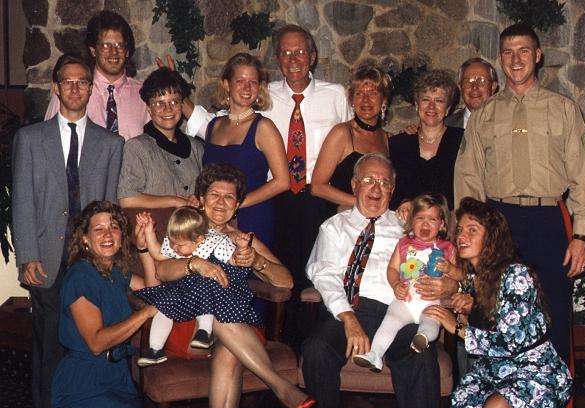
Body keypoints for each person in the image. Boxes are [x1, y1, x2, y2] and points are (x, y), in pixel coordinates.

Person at [181, 24, 352, 326]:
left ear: (312, 57)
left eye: (300, 51)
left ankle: (302, 349)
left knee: (307, 278)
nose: (293, 58)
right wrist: (175, 95)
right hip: (275, 204)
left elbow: (356, 136)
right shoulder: (245, 110)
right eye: (286, 53)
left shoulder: (335, 95)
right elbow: (210, 126)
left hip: (312, 198)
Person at [149, 163, 314, 408]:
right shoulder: (184, 230)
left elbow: (286, 281)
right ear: (199, 199)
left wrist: (257, 261)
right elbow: (161, 269)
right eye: (214, 195)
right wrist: (195, 264)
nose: (222, 202)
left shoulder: (242, 239)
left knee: (229, 352)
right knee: (220, 315)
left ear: (238, 204)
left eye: (230, 197)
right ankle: (278, 384)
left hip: (237, 330)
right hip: (191, 326)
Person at [302, 153, 457, 408]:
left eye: (384, 182)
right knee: (316, 348)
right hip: (347, 309)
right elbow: (322, 274)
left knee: (421, 351)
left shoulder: (407, 225)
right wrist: (348, 318)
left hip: (397, 311)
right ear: (354, 185)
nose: (376, 188)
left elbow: (444, 260)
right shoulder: (333, 227)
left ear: (394, 189)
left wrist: (448, 287)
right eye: (369, 180)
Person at [454, 23, 585, 363]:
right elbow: (468, 176)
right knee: (494, 313)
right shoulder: (484, 114)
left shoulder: (563, 109)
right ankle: (500, 407)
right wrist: (469, 231)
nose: (515, 59)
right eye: (507, 52)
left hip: (550, 220)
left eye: (523, 51)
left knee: (554, 315)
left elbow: (584, 175)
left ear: (537, 55)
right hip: (499, 221)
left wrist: (581, 235)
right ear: (500, 59)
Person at [12, 53, 123, 408]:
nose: (75, 88)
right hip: (45, 255)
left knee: (87, 339)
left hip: (89, 259)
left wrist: (107, 257)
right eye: (68, 82)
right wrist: (26, 255)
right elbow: (22, 200)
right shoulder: (29, 139)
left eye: (82, 82)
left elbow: (109, 206)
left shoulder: (111, 144)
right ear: (56, 88)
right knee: (48, 338)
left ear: (90, 89)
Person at [425, 197, 573, 408]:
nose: (462, 236)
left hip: (533, 372)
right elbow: (470, 294)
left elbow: (509, 343)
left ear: (491, 238)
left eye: (473, 229)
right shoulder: (477, 278)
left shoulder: (516, 275)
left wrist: (456, 326)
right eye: (460, 229)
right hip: (494, 373)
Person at [51, 201, 158, 408]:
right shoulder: (81, 276)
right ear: (85, 239)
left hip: (116, 378)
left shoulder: (115, 271)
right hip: (82, 383)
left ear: (122, 236)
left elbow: (153, 291)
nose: (108, 234)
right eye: (98, 229)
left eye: (114, 227)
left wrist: (144, 247)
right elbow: (96, 343)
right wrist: (142, 315)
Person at [133, 206, 257, 365]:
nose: (174, 247)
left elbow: (234, 260)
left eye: (179, 245)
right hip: (184, 292)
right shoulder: (176, 244)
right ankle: (155, 349)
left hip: (215, 293)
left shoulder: (215, 242)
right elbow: (157, 253)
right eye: (172, 243)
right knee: (163, 306)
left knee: (204, 285)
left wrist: (242, 247)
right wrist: (149, 231)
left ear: (199, 239)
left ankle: (204, 332)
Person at [353, 193, 458, 372]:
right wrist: (395, 285)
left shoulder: (447, 248)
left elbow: (459, 276)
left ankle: (422, 338)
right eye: (420, 218)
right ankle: (375, 354)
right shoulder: (404, 243)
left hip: (430, 300)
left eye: (432, 219)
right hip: (405, 298)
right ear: (411, 221)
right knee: (390, 321)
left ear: (441, 224)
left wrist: (449, 269)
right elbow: (392, 269)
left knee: (431, 322)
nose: (425, 224)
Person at [201, 53, 289, 249]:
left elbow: (283, 182)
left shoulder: (264, 127)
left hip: (252, 215)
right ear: (226, 84)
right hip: (215, 218)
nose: (247, 88)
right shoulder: (214, 125)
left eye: (253, 82)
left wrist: (238, 204)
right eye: (240, 81)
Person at [45, 10, 149, 141]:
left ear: (127, 51)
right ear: (93, 50)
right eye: (106, 45)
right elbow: (47, 140)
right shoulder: (72, 90)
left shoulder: (143, 95)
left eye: (119, 45)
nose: (114, 52)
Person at [117, 67, 203, 209]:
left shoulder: (196, 148)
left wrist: (197, 200)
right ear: (149, 109)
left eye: (174, 102)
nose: (168, 109)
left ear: (182, 105)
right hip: (154, 228)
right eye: (159, 103)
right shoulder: (136, 148)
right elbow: (127, 199)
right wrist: (175, 201)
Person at [311, 64, 392, 211]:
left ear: (384, 100)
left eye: (372, 93)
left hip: (377, 218)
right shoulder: (342, 133)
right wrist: (363, 203)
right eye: (359, 94)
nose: (365, 100)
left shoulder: (387, 138)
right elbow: (317, 187)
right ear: (351, 100)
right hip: (344, 218)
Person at [389, 69, 463, 214]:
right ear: (417, 105)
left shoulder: (461, 141)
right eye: (426, 99)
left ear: (448, 108)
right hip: (405, 223)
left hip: (448, 225)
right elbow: (391, 189)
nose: (431, 106)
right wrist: (403, 202)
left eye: (439, 101)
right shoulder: (398, 144)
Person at [445, 57, 498, 129]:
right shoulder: (447, 126)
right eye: (467, 82)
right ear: (460, 88)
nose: (474, 87)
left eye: (481, 80)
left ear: (493, 86)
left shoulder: (508, 120)